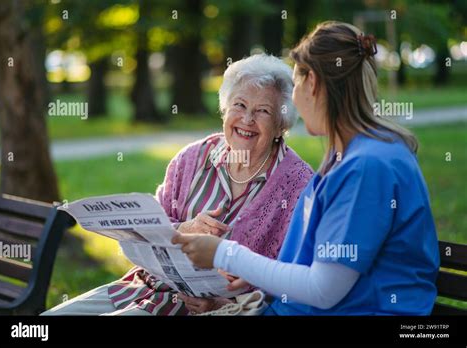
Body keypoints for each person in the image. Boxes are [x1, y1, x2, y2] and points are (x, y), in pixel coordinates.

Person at [172, 21, 440, 315]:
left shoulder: (368, 166)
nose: (294, 100)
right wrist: (255, 274)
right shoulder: (357, 154)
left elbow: (323, 291)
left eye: (296, 84)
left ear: (311, 82)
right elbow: (312, 269)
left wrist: (224, 253)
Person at [42, 54, 313, 316]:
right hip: (142, 289)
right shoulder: (191, 159)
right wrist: (183, 229)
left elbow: (293, 280)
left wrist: (225, 305)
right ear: (224, 109)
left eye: (263, 111)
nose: (247, 119)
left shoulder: (298, 184)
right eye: (239, 105)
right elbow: (151, 229)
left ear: (281, 125)